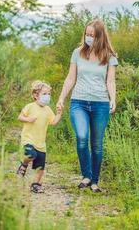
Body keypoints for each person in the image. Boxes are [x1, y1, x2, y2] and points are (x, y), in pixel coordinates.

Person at [56, 19, 118, 193]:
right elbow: (70, 78)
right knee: (82, 137)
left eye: (92, 35)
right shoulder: (77, 53)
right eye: (86, 34)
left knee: (97, 144)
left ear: (99, 37)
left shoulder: (109, 57)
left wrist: (113, 98)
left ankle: (95, 181)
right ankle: (86, 175)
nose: (88, 38)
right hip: (79, 102)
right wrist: (61, 98)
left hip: (100, 104)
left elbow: (110, 81)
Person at [16, 80, 62, 193]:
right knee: (30, 154)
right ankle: (24, 164)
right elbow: (20, 117)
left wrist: (59, 113)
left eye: (49, 94)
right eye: (44, 94)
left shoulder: (48, 110)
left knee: (40, 166)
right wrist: (28, 119)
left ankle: (35, 184)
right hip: (28, 139)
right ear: (36, 95)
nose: (47, 96)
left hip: (41, 143)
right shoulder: (30, 107)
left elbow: (54, 121)